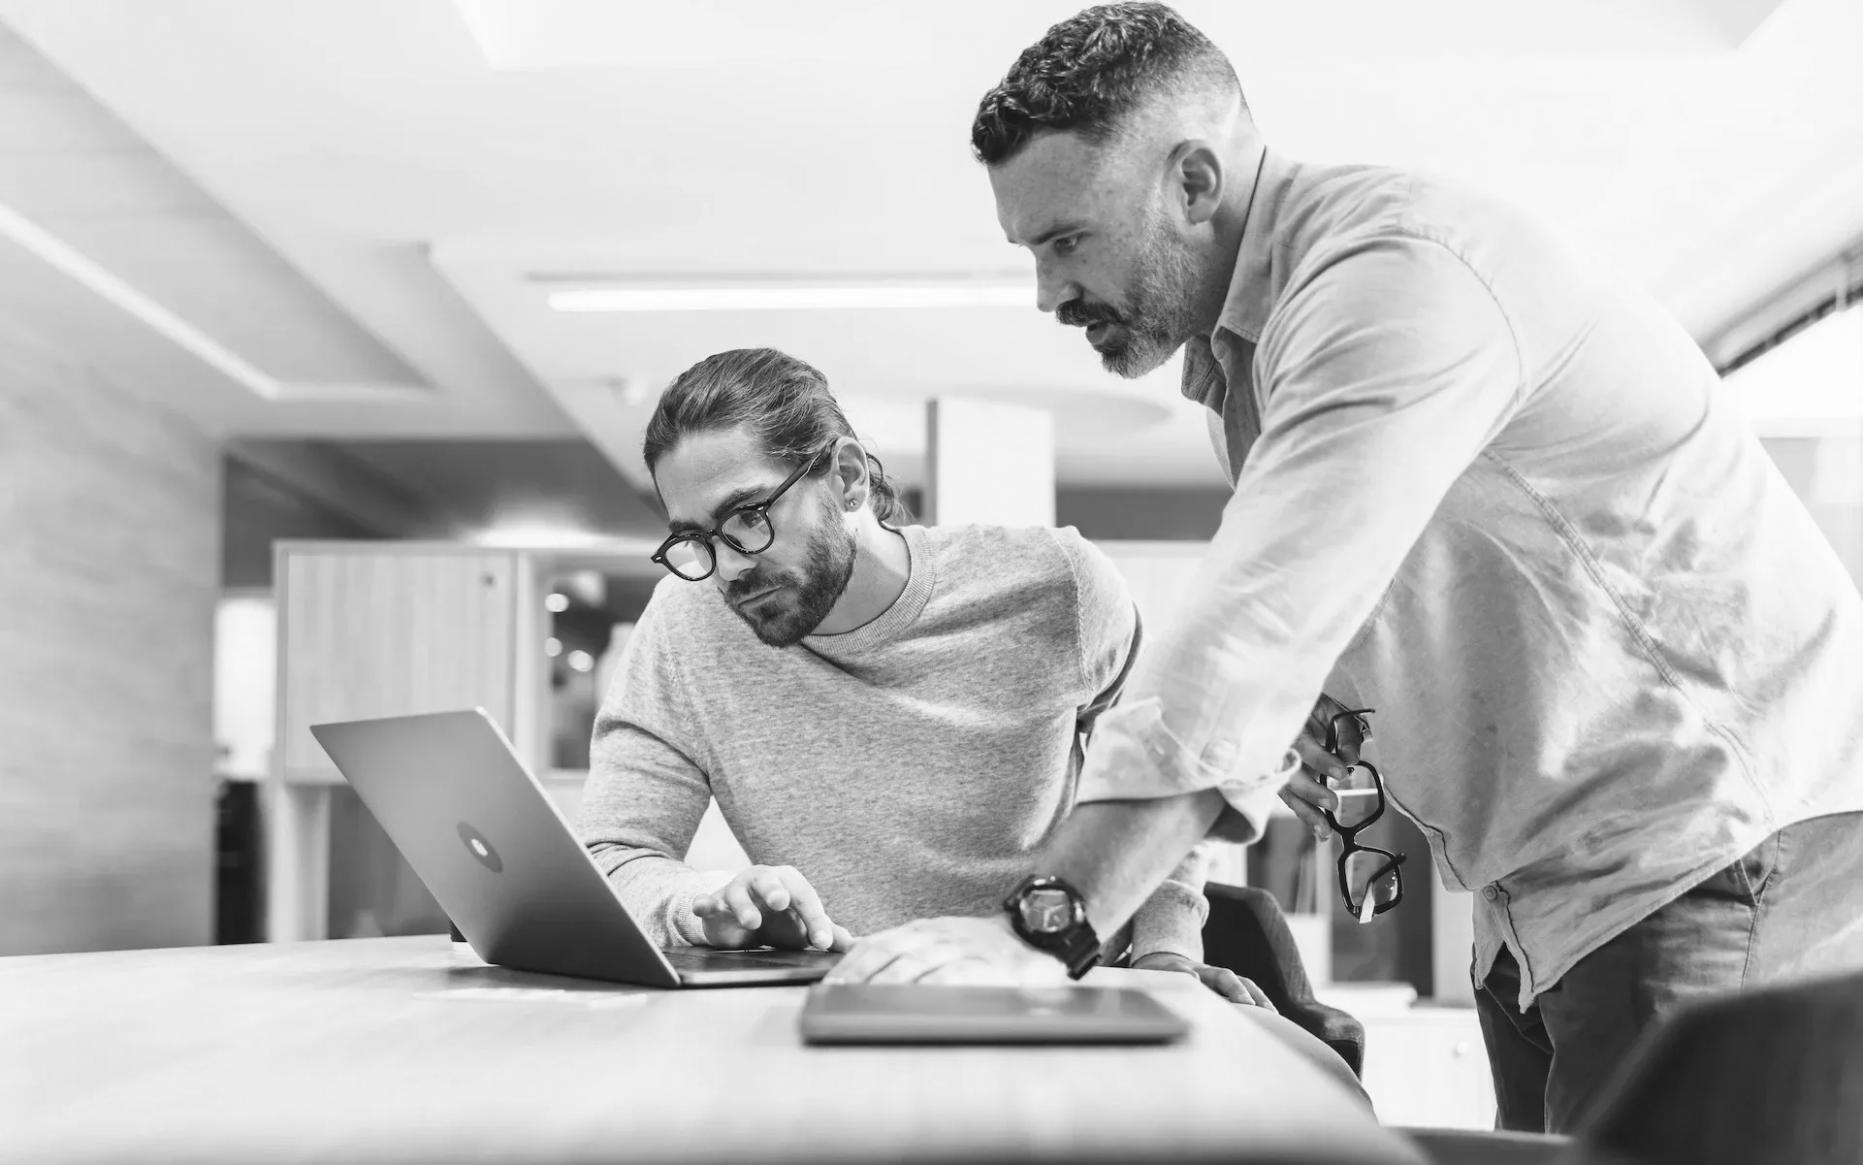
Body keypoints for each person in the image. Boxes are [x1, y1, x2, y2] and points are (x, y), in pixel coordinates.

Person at [829, 1, 1863, 1135]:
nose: (1047, 292)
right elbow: (1352, 606)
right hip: (1546, 894)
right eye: (1031, 252)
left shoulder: (1392, 278)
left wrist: (1041, 926)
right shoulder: (1247, 358)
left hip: (1697, 849)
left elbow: (1253, 624)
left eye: (1068, 239)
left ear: (1193, 181)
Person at [573, 346, 1267, 1006]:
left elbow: (1176, 767)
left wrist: (1165, 954)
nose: (725, 567)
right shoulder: (686, 623)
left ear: (844, 477)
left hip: (1057, 993)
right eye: (694, 538)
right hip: (837, 1006)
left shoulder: (1057, 589)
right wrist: (693, 903)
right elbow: (615, 850)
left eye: (747, 517)